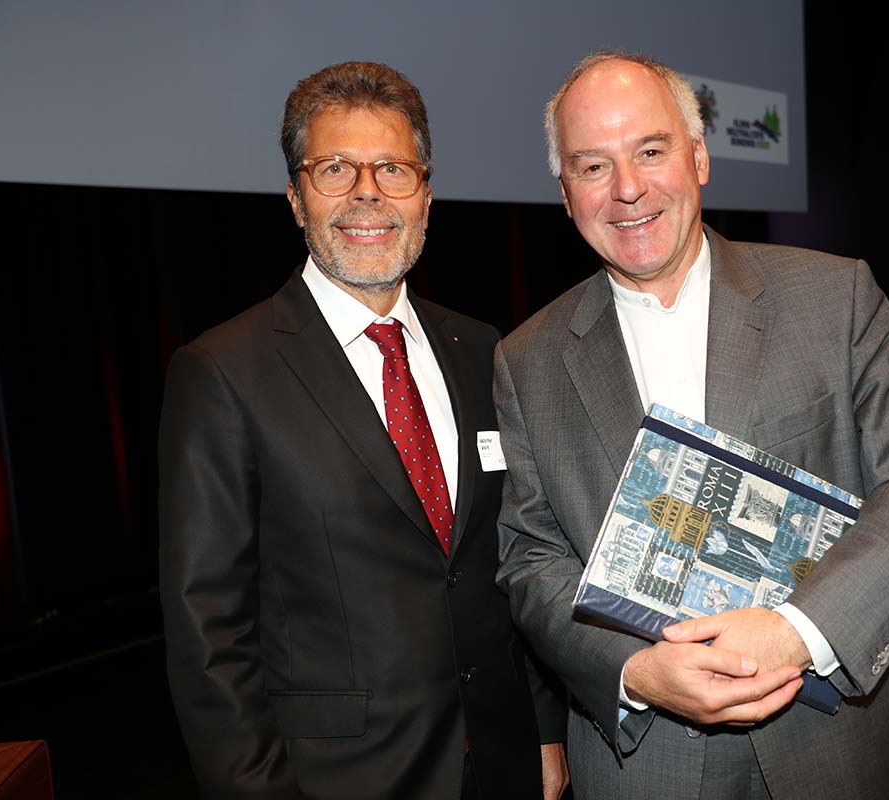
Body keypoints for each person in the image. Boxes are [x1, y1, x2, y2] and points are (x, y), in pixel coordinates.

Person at [493, 51, 889, 799]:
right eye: (592, 166)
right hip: (646, 765)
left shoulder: (834, 298)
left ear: (698, 157)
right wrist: (635, 670)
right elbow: (532, 559)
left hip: (842, 750)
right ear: (565, 194)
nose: (627, 189)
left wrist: (796, 630)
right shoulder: (526, 358)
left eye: (650, 151)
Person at [159, 61, 566, 800]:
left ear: (426, 197)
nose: (367, 192)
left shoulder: (481, 349)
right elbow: (206, 629)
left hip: (501, 760)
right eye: (335, 169)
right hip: (338, 780)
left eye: (392, 169)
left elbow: (514, 554)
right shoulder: (223, 372)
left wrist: (543, 726)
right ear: (295, 198)